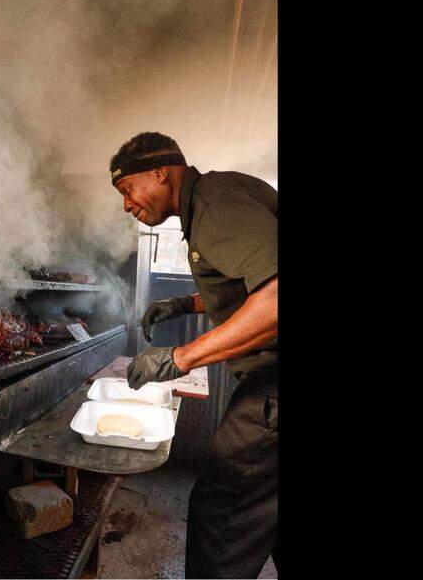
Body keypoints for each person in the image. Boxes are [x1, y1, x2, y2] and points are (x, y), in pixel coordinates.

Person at [111, 132, 278, 578]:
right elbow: (245, 281)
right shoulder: (212, 200)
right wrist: (185, 303)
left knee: (223, 512)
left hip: (273, 392)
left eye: (127, 189)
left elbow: (276, 300)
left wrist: (179, 358)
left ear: (160, 171)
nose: (126, 205)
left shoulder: (216, 206)